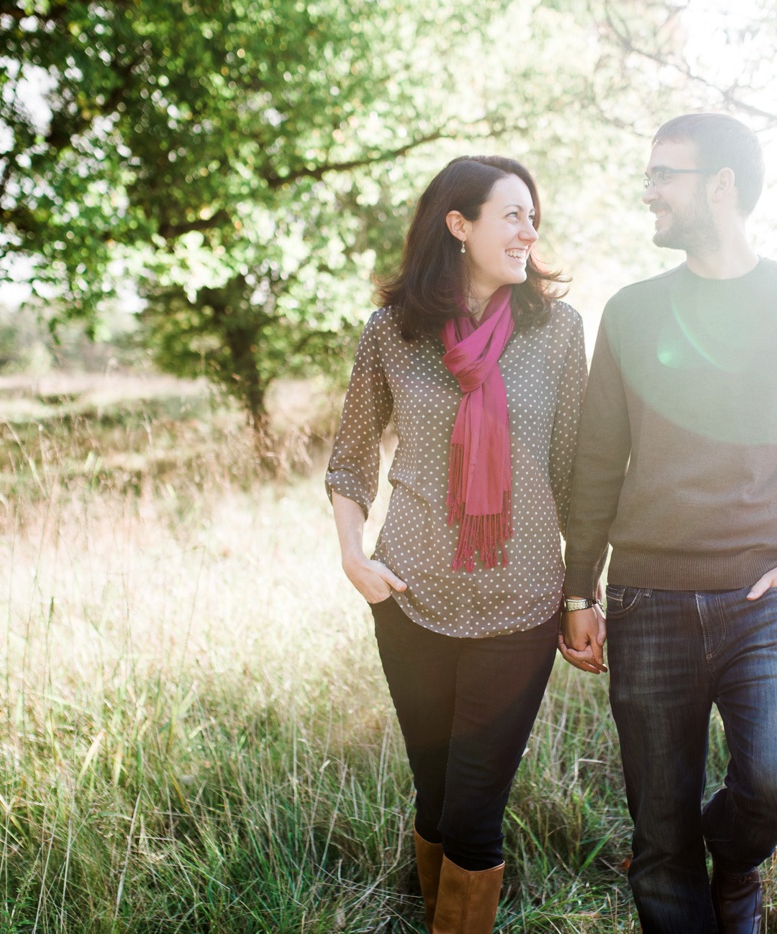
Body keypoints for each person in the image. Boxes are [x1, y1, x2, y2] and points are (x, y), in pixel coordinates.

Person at [558, 113, 777, 933]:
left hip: (764, 597)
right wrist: (578, 591)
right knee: (660, 848)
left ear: (722, 186)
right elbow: (597, 463)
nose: (648, 190)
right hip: (645, 599)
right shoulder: (631, 312)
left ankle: (732, 860)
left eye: (665, 174)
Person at [326, 155, 586, 933]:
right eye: (511, 214)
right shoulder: (393, 333)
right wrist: (354, 558)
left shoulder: (558, 332)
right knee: (435, 796)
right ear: (459, 223)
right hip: (411, 599)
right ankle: (427, 908)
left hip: (523, 604)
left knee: (474, 811)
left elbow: (577, 475)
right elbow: (351, 455)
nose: (527, 230)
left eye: (532, 217)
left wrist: (584, 591)